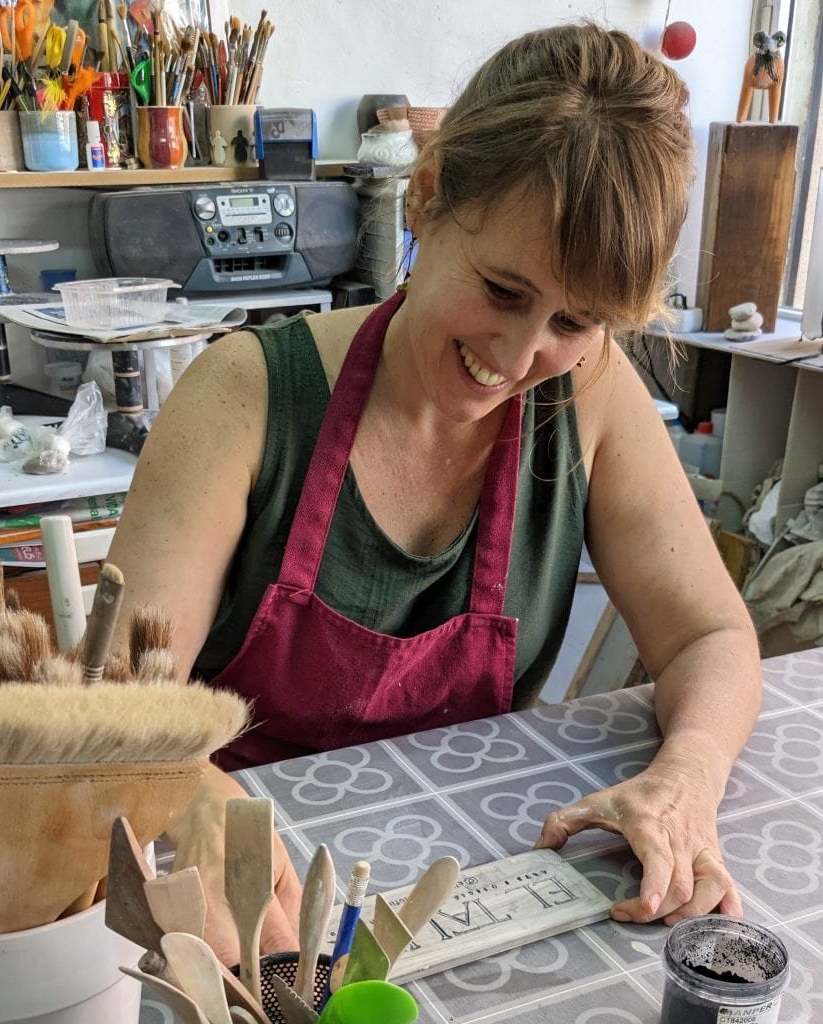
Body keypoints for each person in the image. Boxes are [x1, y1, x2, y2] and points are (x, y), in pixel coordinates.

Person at [107, 22, 762, 966]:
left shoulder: (591, 398)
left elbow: (711, 635)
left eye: (573, 320)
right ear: (429, 195)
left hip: (471, 896)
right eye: (501, 290)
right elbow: (120, 699)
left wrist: (687, 775)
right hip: (254, 903)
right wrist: (184, 786)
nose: (518, 356)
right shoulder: (244, 396)